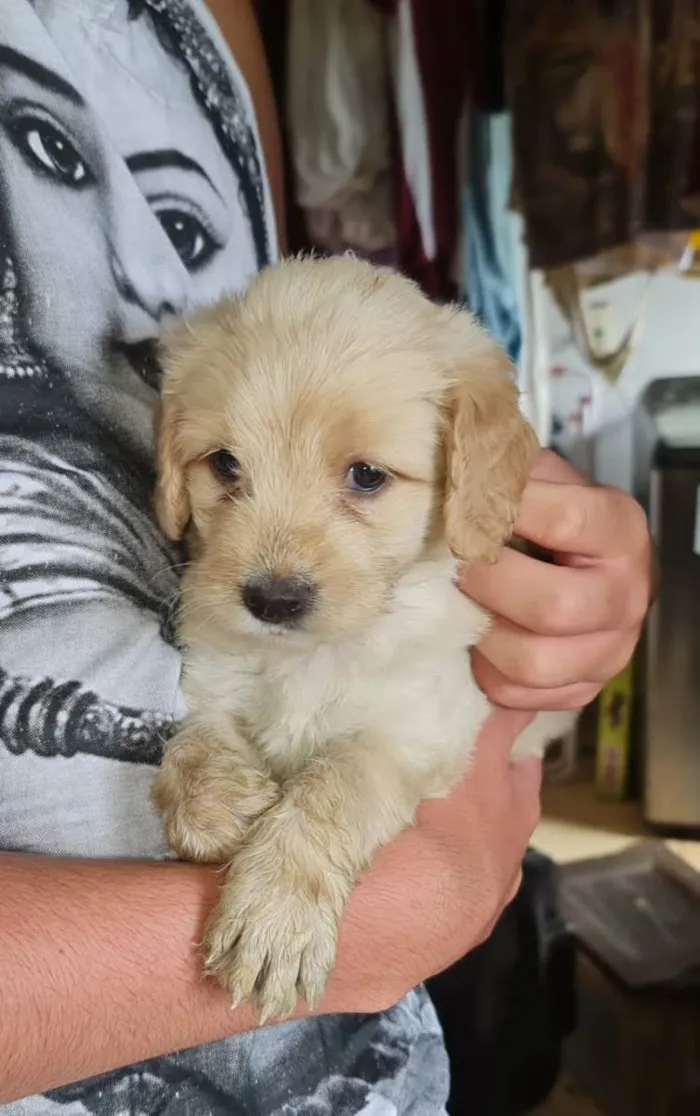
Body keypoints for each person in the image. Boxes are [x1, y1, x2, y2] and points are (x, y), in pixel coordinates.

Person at [0, 0, 653, 1111]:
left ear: (462, 462)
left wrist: (572, 570)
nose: (273, 564)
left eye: (362, 479)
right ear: (176, 461)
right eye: (226, 470)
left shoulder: (223, 25)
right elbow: (207, 709)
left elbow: (415, 753)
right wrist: (204, 771)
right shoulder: (223, 578)